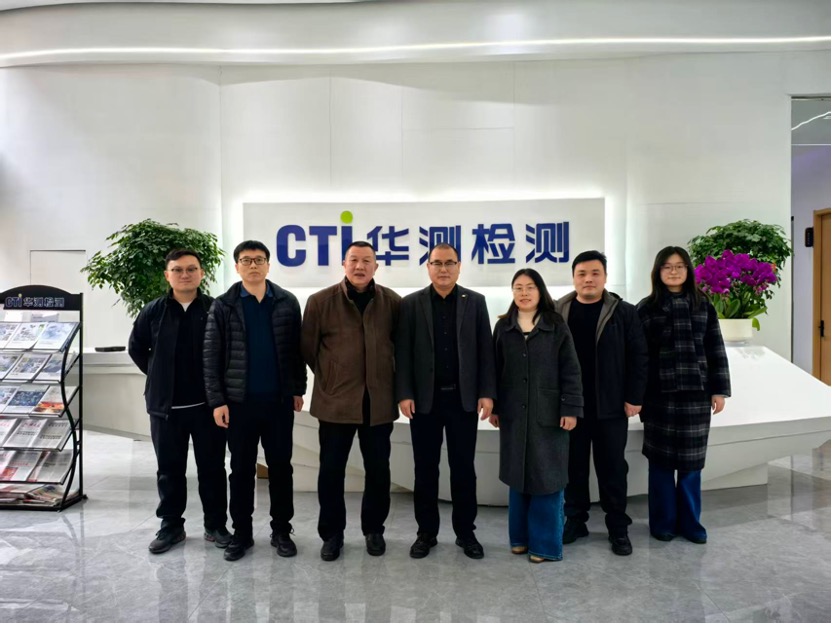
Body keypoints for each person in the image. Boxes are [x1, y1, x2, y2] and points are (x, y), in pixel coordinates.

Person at [203, 240, 307, 561]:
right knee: (241, 469)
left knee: (281, 468)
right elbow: (211, 356)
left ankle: (281, 530)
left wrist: (298, 389)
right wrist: (217, 401)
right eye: (246, 260)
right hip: (239, 404)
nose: (253, 265)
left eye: (259, 260)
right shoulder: (223, 305)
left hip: (278, 402)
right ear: (237, 267)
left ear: (268, 265)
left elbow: (297, 351)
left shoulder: (287, 302)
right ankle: (242, 533)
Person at [395, 243, 497, 559]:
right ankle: (426, 533)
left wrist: (487, 392)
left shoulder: (475, 302)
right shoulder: (411, 304)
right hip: (424, 402)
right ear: (428, 267)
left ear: (459, 266)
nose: (443, 269)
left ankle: (466, 533)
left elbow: (485, 350)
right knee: (425, 470)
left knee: (463, 469)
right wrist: (404, 393)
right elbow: (403, 352)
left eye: (449, 263)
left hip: (463, 400)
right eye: (437, 263)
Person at [301, 241, 401, 562]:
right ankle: (332, 534)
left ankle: (374, 530)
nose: (360, 266)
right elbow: (308, 350)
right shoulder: (320, 302)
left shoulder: (393, 303)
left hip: (378, 402)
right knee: (331, 471)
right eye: (354, 260)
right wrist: (332, 378)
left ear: (376, 266)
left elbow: (400, 349)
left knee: (378, 471)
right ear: (344, 264)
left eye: (366, 261)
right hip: (335, 403)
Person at [129, 249, 230, 554]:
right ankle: (171, 526)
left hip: (208, 408)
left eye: (191, 269)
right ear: (167, 275)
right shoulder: (153, 311)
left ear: (202, 273)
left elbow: (227, 353)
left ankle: (216, 525)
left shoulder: (215, 309)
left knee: (212, 469)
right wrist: (159, 376)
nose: (185, 275)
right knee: (169, 470)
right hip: (166, 409)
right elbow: (137, 348)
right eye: (178, 270)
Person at [555, 250, 648, 556]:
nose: (588, 279)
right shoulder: (558, 311)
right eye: (581, 273)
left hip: (611, 406)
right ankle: (575, 520)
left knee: (612, 468)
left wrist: (634, 397)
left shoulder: (624, 312)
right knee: (573, 467)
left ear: (605, 277)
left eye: (595, 273)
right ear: (573, 278)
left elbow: (639, 356)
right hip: (572, 407)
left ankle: (617, 526)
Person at [636, 246, 731, 544]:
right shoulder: (645, 308)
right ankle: (662, 523)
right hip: (658, 397)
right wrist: (636, 395)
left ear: (688, 270)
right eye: (667, 266)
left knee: (691, 466)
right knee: (661, 465)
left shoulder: (704, 305)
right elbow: (638, 357)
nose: (674, 271)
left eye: (679, 266)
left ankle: (691, 524)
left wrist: (719, 390)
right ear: (658, 271)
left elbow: (715, 348)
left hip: (696, 397)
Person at [490, 268, 583, 563]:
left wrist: (571, 408)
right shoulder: (503, 327)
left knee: (547, 476)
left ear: (540, 291)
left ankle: (544, 545)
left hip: (550, 414)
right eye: (518, 287)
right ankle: (519, 538)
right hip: (513, 414)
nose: (524, 293)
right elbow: (494, 370)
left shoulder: (555, 325)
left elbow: (571, 370)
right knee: (517, 475)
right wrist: (495, 407)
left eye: (530, 287)